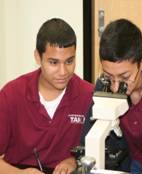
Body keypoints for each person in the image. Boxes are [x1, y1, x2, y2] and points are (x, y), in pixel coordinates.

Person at [81, 18, 142, 174]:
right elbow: (87, 141)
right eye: (109, 76)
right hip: (131, 165)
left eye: (125, 77)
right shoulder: (104, 87)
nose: (116, 87)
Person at [0, 18, 94, 174]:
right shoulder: (11, 95)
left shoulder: (88, 96)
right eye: (53, 63)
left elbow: (102, 152)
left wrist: (75, 161)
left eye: (69, 61)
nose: (63, 72)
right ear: (38, 57)